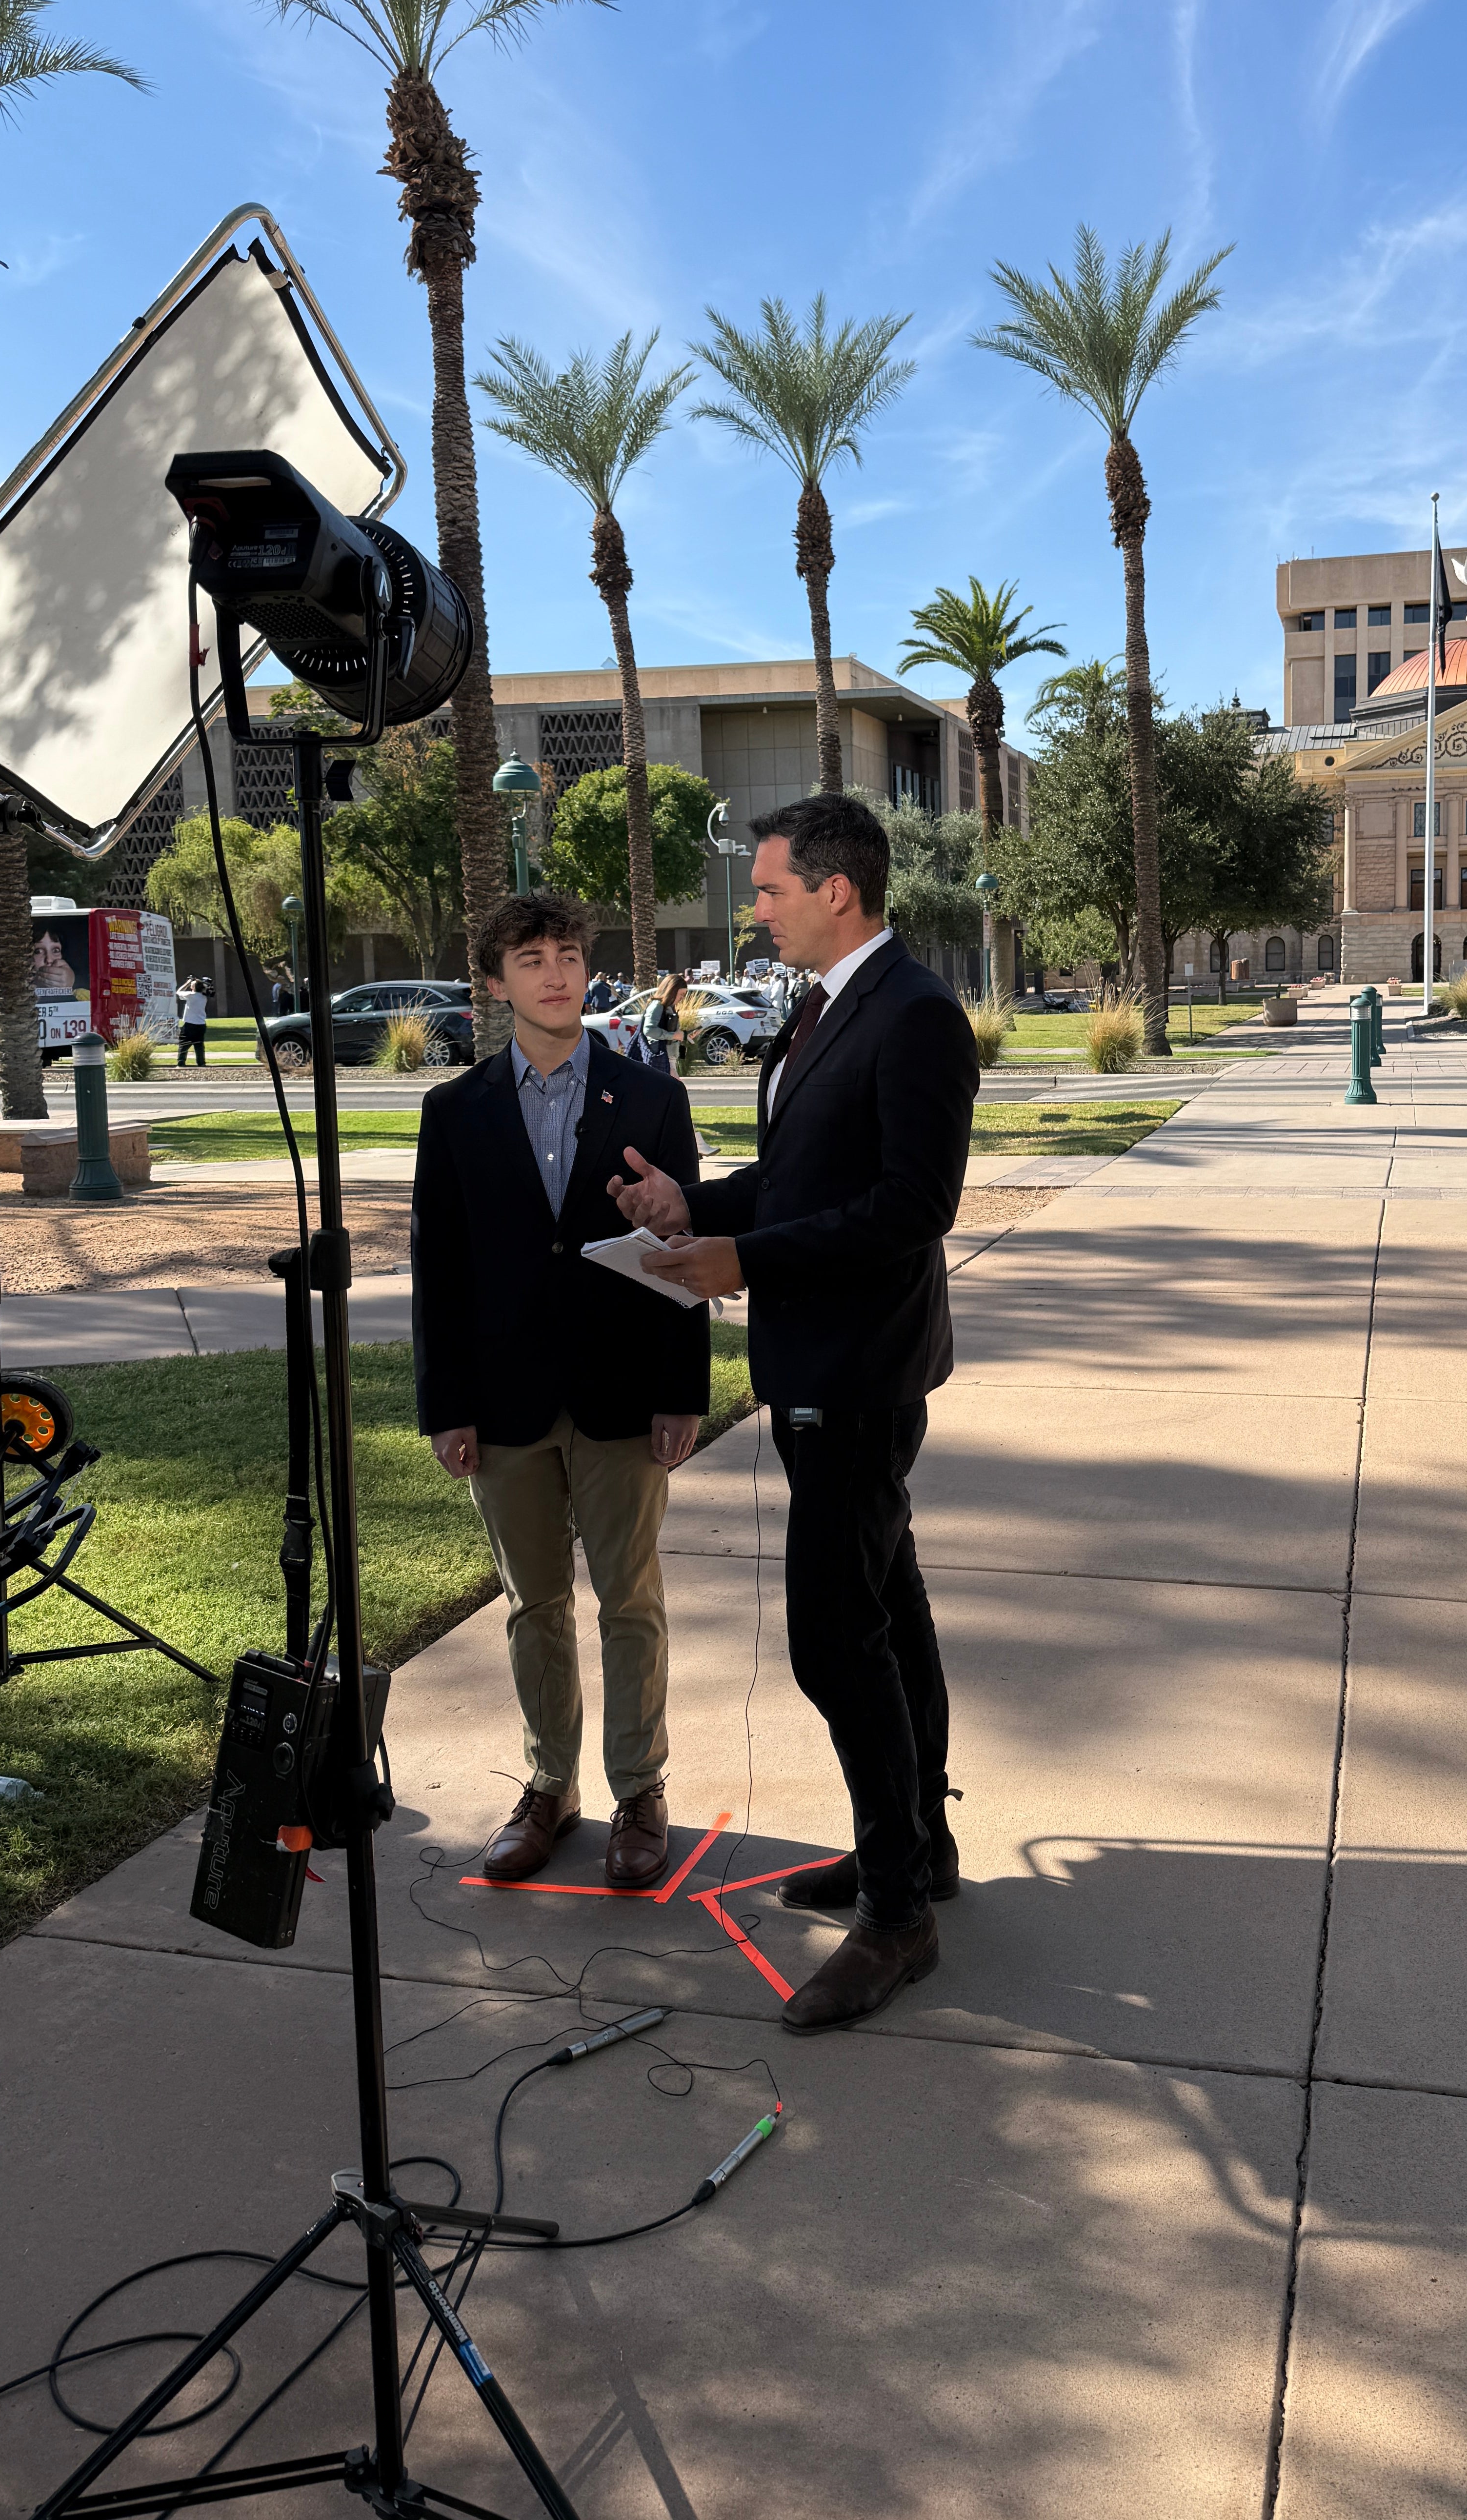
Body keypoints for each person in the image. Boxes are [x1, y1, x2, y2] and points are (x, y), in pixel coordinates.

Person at [607, 794, 979, 2033]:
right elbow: (810, 1172)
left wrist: (747, 1262)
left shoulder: (915, 1015)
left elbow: (912, 1208)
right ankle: (915, 1852)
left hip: (860, 1374)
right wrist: (696, 1208)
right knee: (888, 1604)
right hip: (818, 1363)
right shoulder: (828, 1010)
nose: (752, 912)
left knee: (833, 1639)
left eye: (768, 891)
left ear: (838, 891)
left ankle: (896, 1920)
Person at [412, 890, 708, 1887]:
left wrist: (684, 1391)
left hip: (624, 1394)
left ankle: (639, 1792)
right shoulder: (453, 1113)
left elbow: (682, 1256)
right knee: (532, 1605)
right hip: (502, 1404)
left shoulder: (654, 1099)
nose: (555, 973)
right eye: (532, 958)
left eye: (570, 954)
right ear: (495, 983)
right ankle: (551, 1787)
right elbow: (438, 1270)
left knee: (630, 1600)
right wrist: (445, 1404)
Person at [636, 969, 684, 1075]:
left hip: (668, 1058)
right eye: (681, 994)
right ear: (672, 991)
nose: (682, 998)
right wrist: (673, 1036)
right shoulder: (657, 1006)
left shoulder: (668, 1007)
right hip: (660, 1057)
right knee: (675, 1089)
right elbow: (649, 1030)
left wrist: (685, 1035)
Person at [176, 976, 209, 1067]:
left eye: (192, 985)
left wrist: (187, 983)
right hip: (201, 1024)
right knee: (199, 1046)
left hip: (190, 1024)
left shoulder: (190, 995)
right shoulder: (204, 997)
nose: (191, 986)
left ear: (194, 988)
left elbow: (178, 992)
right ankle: (201, 1063)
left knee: (184, 1044)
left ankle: (181, 1063)